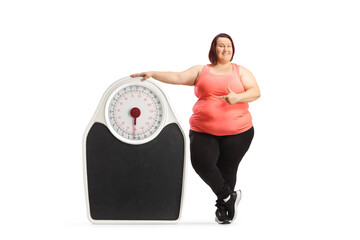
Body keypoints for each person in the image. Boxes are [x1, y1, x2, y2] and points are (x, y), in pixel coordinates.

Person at [131, 33, 260, 224]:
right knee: (202, 164)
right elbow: (177, 76)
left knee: (227, 169)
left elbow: (255, 92)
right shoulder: (202, 71)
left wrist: (238, 98)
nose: (225, 49)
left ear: (233, 50)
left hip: (238, 132)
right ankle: (229, 197)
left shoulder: (241, 72)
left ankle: (222, 210)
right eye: (221, 46)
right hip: (203, 129)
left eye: (229, 46)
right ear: (213, 49)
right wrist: (154, 74)